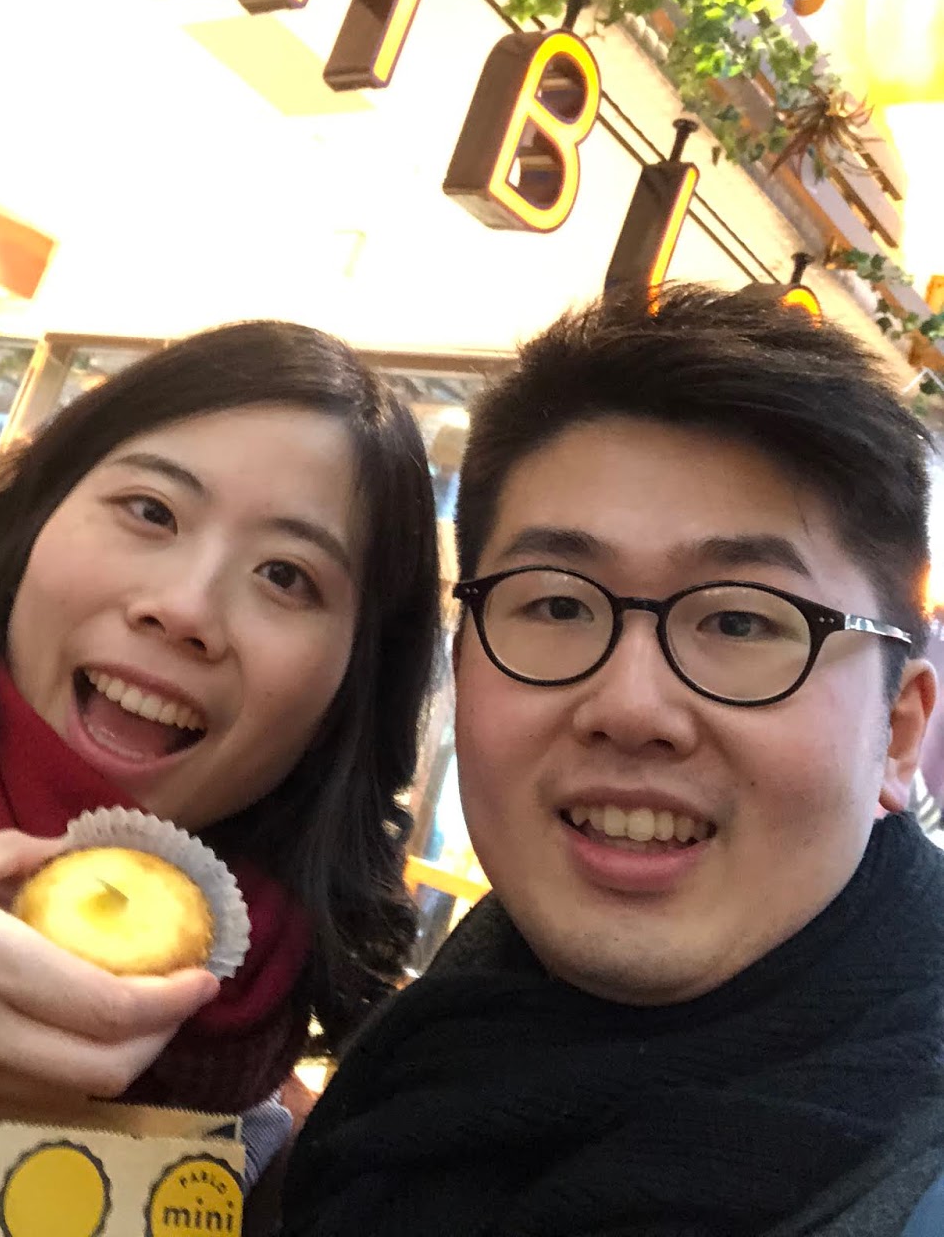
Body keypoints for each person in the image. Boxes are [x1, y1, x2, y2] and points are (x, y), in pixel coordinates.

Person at [281, 283, 944, 1237]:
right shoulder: (419, 1063)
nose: (631, 707)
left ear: (900, 732)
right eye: (557, 604)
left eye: (742, 621)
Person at [0, 320, 439, 1195]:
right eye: (152, 511)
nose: (184, 607)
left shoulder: (289, 1172)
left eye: (286, 576)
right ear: (38, 516)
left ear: (352, 686)